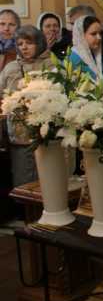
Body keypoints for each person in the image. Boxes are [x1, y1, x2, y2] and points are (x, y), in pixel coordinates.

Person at [0, 26, 52, 188]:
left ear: (39, 43)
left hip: (47, 132)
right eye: (20, 43)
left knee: (49, 180)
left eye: (29, 43)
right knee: (23, 182)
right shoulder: (11, 68)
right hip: (20, 133)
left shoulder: (51, 64)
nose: (24, 47)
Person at [68, 15, 103, 84]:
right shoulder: (73, 60)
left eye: (100, 33)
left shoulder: (96, 55)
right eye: (93, 34)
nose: (99, 37)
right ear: (81, 35)